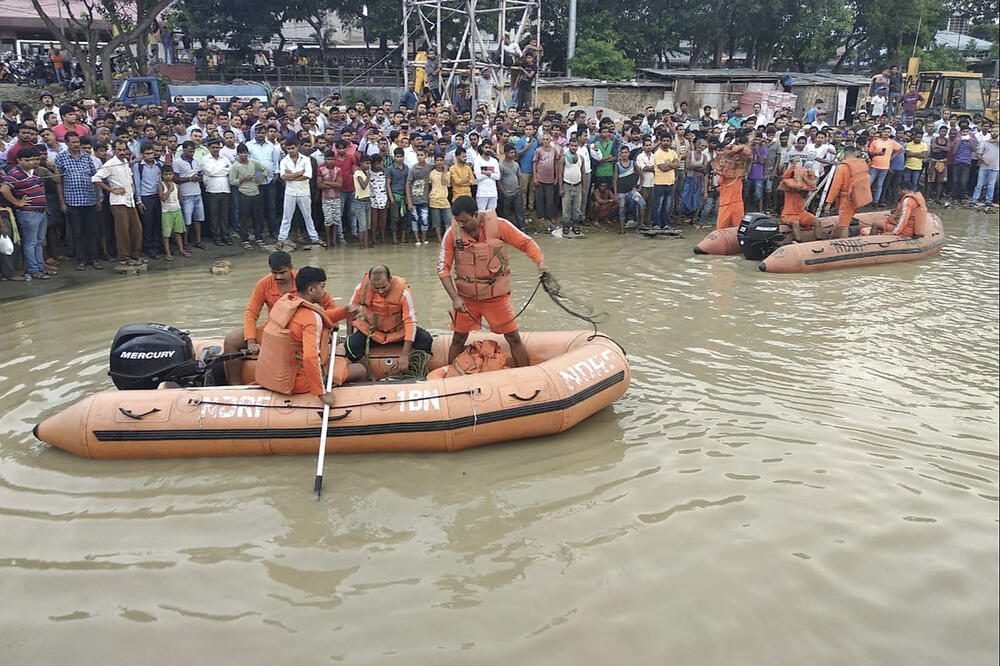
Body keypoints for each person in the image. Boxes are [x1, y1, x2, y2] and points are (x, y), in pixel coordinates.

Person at [438, 195, 548, 368]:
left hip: (496, 296)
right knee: (458, 338)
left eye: (464, 221)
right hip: (466, 299)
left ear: (476, 215)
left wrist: (540, 262)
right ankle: (451, 379)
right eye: (457, 221)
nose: (461, 225)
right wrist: (454, 298)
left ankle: (525, 375)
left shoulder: (500, 225)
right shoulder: (451, 234)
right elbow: (442, 269)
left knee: (513, 337)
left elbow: (526, 243)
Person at [222, 252, 354, 385]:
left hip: (298, 332)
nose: (278, 277)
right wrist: (251, 340)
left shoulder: (304, 280)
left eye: (282, 272)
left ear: (291, 267)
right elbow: (251, 313)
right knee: (231, 340)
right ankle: (235, 385)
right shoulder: (264, 284)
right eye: (274, 273)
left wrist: (330, 330)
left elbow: (328, 305)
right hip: (275, 330)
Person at [254, 266, 356, 403]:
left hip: (276, 375)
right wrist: (321, 394)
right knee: (359, 369)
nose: (324, 292)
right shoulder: (310, 320)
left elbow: (322, 316)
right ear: (311, 290)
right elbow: (310, 357)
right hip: (298, 382)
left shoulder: (287, 302)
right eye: (322, 287)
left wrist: (345, 311)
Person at [345, 264, 434, 377]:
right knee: (350, 345)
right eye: (376, 288)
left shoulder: (404, 292)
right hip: (373, 332)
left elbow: (410, 322)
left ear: (390, 280)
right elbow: (350, 313)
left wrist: (405, 355)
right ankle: (368, 374)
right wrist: (349, 335)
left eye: (383, 287)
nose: (380, 291)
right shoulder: (360, 289)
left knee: (425, 340)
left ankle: (412, 373)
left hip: (399, 332)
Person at [1, 147, 52, 280]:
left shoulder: (34, 172)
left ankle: (40, 267)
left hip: (40, 211)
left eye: (35, 160)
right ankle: (33, 269)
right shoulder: (15, 173)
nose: (31, 162)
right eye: (27, 160)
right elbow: (4, 189)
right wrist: (17, 202)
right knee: (31, 242)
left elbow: (40, 188)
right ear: (19, 160)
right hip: (28, 213)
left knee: (39, 241)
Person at [55, 131, 102, 271]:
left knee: (92, 231)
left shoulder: (87, 157)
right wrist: (62, 202)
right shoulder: (61, 158)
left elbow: (95, 179)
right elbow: (59, 182)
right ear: (67, 143)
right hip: (72, 201)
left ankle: (93, 258)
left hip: (89, 200)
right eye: (73, 142)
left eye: (78, 142)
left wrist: (98, 199)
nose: (76, 145)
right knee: (77, 232)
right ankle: (81, 260)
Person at [92, 140, 144, 266]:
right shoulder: (110, 164)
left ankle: (135, 255)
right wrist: (111, 190)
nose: (122, 152)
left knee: (137, 229)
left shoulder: (126, 162)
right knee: (123, 231)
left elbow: (129, 178)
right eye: (119, 150)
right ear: (114, 151)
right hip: (118, 202)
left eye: (123, 150)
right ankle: (124, 258)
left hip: (130, 200)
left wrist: (132, 186)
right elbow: (95, 178)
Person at [277, 139, 323, 249]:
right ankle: (281, 239)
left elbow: (307, 175)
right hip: (290, 192)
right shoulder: (284, 161)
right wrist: (298, 173)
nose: (291, 151)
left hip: (304, 191)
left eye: (292, 148)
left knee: (308, 216)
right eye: (288, 149)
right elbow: (283, 177)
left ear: (297, 147)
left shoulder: (306, 159)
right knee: (287, 217)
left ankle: (314, 237)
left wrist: (291, 176)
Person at [822, 145, 871, 239]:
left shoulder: (843, 167)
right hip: (859, 198)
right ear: (855, 153)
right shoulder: (861, 164)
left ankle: (844, 244)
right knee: (847, 220)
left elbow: (835, 186)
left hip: (846, 200)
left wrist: (828, 203)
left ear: (844, 155)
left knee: (843, 225)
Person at [202, 138, 233, 246]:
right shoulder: (205, 159)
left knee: (224, 215)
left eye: (217, 147)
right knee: (214, 215)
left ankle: (225, 236)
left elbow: (230, 170)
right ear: (209, 148)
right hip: (212, 190)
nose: (216, 149)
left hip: (225, 189)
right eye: (213, 147)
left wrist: (219, 171)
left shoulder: (224, 158)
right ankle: (217, 237)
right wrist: (223, 171)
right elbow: (210, 172)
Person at [778, 161, 819, 242]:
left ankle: (819, 241)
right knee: (795, 223)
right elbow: (785, 177)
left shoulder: (806, 186)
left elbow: (814, 187)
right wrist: (793, 165)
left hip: (802, 214)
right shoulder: (787, 185)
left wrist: (807, 178)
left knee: (817, 221)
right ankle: (799, 243)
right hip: (788, 215)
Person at [157, 166, 190, 260]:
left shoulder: (177, 186)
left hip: (177, 210)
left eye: (170, 174)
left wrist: (176, 204)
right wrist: (170, 190)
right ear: (162, 175)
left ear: (173, 175)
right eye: (166, 174)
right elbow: (163, 198)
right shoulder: (160, 185)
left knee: (178, 232)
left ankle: (181, 250)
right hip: (166, 212)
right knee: (166, 234)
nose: (168, 176)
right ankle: (168, 252)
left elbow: (180, 198)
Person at [650, 133, 680, 229]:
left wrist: (669, 165)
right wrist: (672, 165)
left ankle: (665, 224)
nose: (666, 143)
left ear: (671, 142)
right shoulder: (658, 153)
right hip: (659, 183)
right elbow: (663, 168)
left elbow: (678, 164)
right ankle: (655, 224)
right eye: (664, 141)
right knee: (658, 206)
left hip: (670, 183)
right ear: (661, 142)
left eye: (668, 141)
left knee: (667, 206)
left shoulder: (673, 152)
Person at [406, 147, 433, 244]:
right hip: (413, 199)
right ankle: (417, 239)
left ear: (426, 156)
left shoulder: (429, 167)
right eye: (418, 155)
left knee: (425, 219)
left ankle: (424, 238)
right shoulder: (412, 169)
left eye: (422, 155)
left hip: (424, 198)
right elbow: (408, 184)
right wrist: (409, 201)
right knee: (415, 219)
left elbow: (441, 166)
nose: (420, 157)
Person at [498, 143, 525, 229]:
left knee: (519, 212)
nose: (513, 154)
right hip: (506, 193)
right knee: (506, 213)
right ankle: (507, 230)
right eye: (511, 153)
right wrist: (503, 191)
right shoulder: (501, 166)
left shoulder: (516, 164)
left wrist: (519, 187)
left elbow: (519, 176)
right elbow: (499, 180)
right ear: (505, 153)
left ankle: (522, 228)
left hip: (516, 192)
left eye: (514, 152)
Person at [474, 142, 501, 212]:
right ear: (482, 148)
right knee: (481, 214)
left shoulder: (494, 161)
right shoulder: (477, 160)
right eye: (486, 147)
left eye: (489, 148)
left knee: (491, 214)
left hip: (493, 193)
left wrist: (486, 173)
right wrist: (491, 173)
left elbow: (498, 176)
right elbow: (478, 177)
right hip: (482, 193)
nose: (488, 149)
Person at [352, 154, 372, 249]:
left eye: (369, 163)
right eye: (366, 163)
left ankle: (366, 245)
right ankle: (361, 245)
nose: (368, 165)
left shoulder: (364, 173)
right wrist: (368, 176)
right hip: (359, 202)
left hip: (368, 201)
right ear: (361, 163)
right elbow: (363, 185)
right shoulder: (358, 173)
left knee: (367, 226)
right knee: (362, 226)